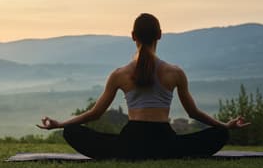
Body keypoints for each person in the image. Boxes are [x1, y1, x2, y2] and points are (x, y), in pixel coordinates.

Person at [37, 13, 250, 159]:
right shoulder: (175, 73)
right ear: (159, 35)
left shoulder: (119, 74)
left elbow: (95, 113)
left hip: (130, 145)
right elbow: (193, 113)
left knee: (71, 132)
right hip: (165, 144)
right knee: (220, 135)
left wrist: (61, 124)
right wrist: (224, 126)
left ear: (132, 37)